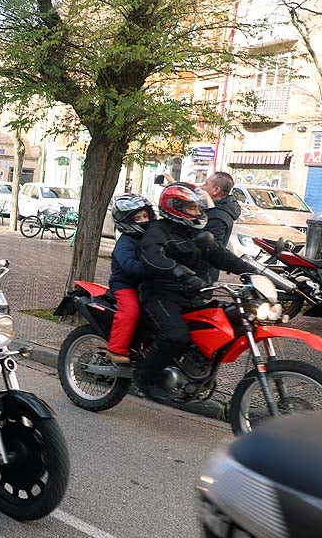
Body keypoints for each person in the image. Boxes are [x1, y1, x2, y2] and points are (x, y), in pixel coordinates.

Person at [137, 182, 256, 402]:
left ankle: (191, 370)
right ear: (175, 207)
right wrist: (181, 272)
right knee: (175, 335)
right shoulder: (159, 230)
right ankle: (146, 380)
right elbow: (153, 256)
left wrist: (254, 271)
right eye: (192, 208)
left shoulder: (195, 231)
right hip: (160, 294)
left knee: (223, 321)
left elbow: (220, 255)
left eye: (199, 208)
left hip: (191, 295)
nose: (198, 212)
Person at [105, 194, 155, 364]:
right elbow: (128, 264)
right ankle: (115, 349)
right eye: (137, 218)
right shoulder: (125, 242)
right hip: (125, 284)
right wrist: (150, 269)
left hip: (146, 285)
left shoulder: (151, 238)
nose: (143, 220)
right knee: (130, 311)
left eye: (145, 216)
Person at [200, 172, 240, 283]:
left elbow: (211, 250)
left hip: (200, 277)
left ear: (216, 190)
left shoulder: (217, 216)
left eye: (206, 183)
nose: (202, 187)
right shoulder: (214, 209)